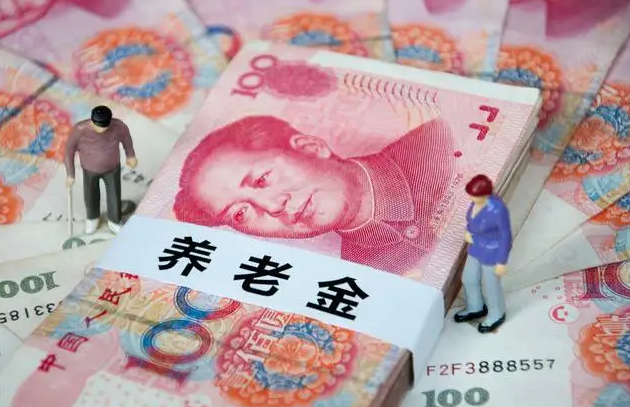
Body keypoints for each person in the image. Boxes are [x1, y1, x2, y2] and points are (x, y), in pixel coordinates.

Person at [174, 114, 456, 275]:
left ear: (310, 147)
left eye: (262, 179)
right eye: (240, 213)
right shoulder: (362, 277)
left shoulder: (442, 142)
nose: (272, 206)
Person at [64, 105, 137, 234]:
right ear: (92, 120)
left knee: (114, 194)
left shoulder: (118, 126)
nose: (102, 129)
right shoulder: (80, 129)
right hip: (89, 169)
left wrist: (130, 155)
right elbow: (69, 150)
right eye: (99, 126)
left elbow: (126, 139)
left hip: (112, 167)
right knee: (90, 194)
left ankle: (114, 220)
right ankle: (92, 218)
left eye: (105, 126)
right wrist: (70, 173)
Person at [454, 174, 512, 333]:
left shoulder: (498, 209)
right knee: (469, 278)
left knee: (491, 286)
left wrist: (501, 261)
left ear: (485, 194)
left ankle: (497, 313)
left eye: (474, 195)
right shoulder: (476, 202)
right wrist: (468, 232)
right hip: (476, 246)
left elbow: (505, 235)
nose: (471, 198)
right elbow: (472, 221)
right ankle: (475, 307)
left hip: (492, 252)